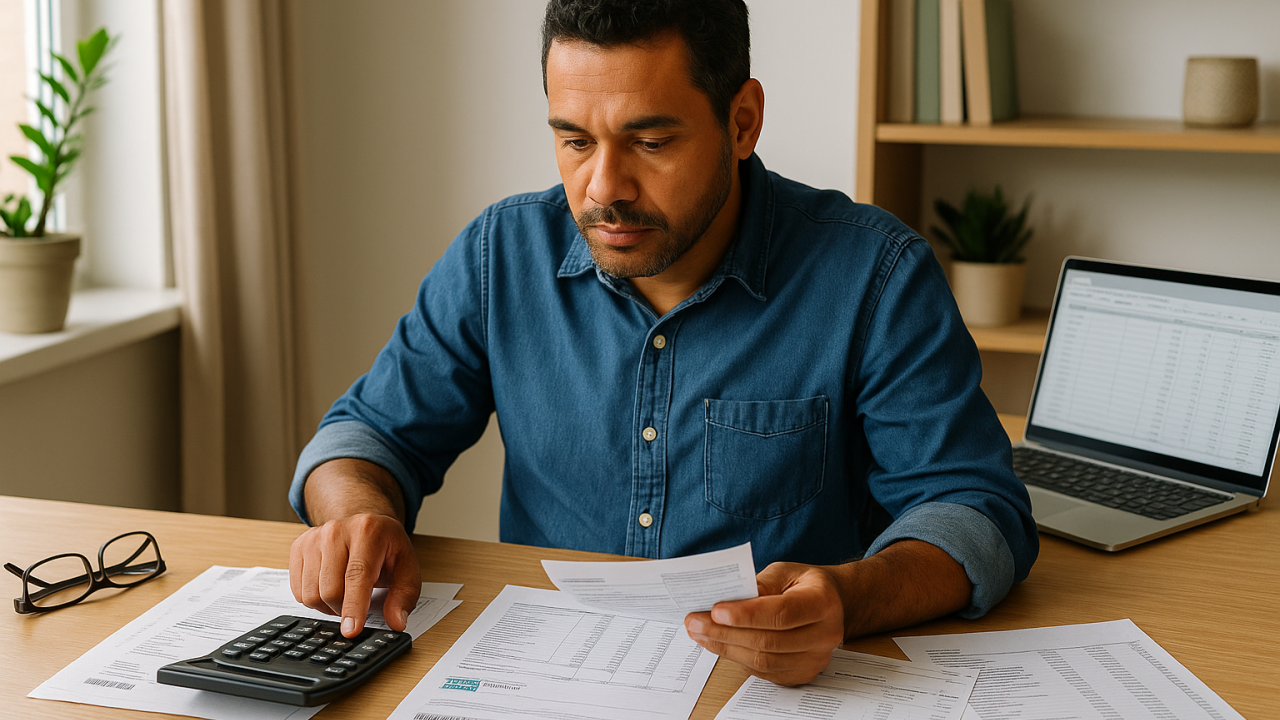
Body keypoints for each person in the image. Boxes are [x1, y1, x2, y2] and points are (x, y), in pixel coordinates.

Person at [288, 0, 1038, 686]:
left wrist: (849, 597)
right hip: (545, 680)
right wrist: (355, 514)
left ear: (742, 122)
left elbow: (973, 508)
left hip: (776, 690)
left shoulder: (875, 275)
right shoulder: (499, 256)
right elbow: (366, 436)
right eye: (574, 141)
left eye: (649, 141)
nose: (603, 187)